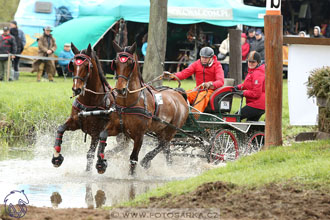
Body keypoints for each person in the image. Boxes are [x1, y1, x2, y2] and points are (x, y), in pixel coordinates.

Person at [165, 47, 224, 116]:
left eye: (206, 58)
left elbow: (220, 81)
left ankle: (194, 117)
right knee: (182, 94)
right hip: (198, 90)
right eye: (202, 57)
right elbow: (184, 73)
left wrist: (210, 84)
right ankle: (177, 114)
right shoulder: (196, 64)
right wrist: (172, 76)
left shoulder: (217, 65)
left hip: (211, 91)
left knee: (201, 96)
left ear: (211, 58)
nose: (204, 59)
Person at [233, 51, 265, 121]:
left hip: (257, 105)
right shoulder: (252, 71)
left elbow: (256, 93)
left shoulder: (258, 74)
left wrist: (243, 93)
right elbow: (247, 84)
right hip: (257, 104)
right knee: (251, 126)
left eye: (253, 62)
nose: (250, 64)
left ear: (258, 62)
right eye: (249, 61)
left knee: (235, 117)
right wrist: (237, 87)